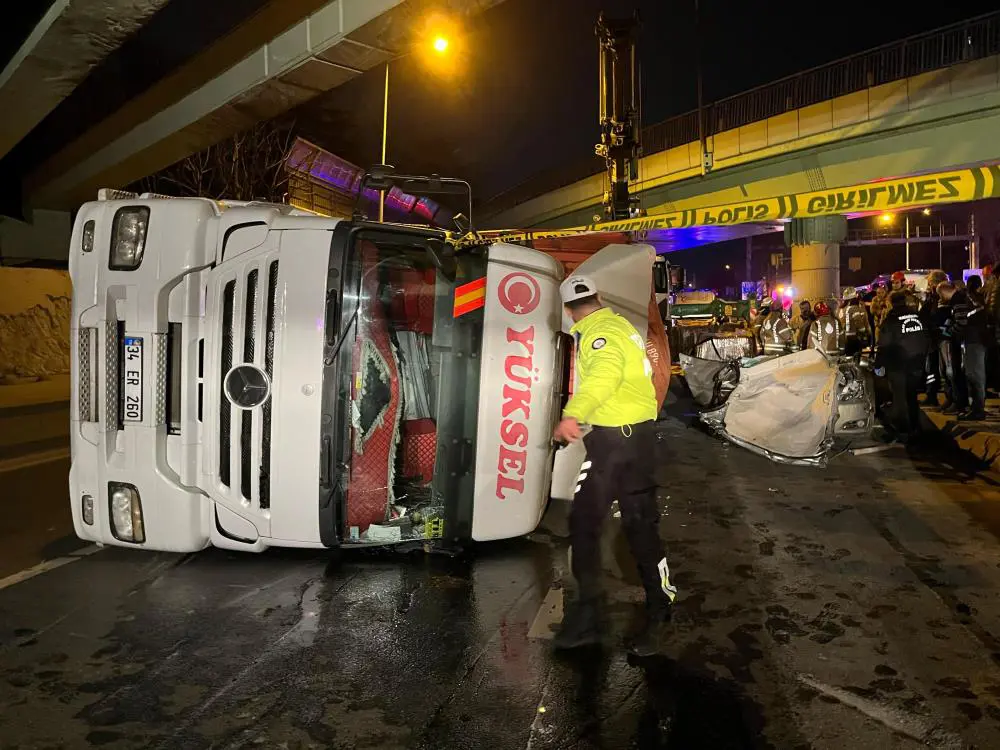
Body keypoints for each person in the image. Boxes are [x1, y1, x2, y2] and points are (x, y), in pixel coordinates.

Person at [552, 274, 676, 656]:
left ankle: (594, 615)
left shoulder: (598, 333)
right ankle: (654, 611)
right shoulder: (619, 324)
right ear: (600, 296)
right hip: (632, 440)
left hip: (615, 445)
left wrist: (573, 414)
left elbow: (604, 376)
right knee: (633, 528)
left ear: (570, 311)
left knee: (588, 523)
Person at [874, 291, 928, 442]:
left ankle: (904, 431)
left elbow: (883, 345)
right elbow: (926, 337)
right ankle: (916, 428)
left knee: (900, 398)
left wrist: (879, 366)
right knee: (911, 395)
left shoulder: (891, 320)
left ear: (891, 303)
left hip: (898, 364)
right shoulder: (917, 315)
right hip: (917, 362)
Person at [953, 278, 989, 421]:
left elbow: (964, 320)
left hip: (974, 339)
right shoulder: (980, 299)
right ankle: (976, 407)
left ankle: (978, 409)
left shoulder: (970, 299)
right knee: (976, 374)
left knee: (974, 375)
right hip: (978, 339)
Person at [919, 271, 948, 406]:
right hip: (931, 338)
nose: (929, 285)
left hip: (939, 337)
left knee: (943, 370)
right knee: (931, 369)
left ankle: (944, 396)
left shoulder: (941, 298)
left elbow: (936, 316)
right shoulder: (932, 297)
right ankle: (931, 394)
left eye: (931, 282)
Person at [839, 287, 871, 356]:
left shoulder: (841, 309)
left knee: (848, 357)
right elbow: (859, 322)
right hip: (855, 337)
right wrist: (865, 333)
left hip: (843, 337)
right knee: (856, 358)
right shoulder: (855, 307)